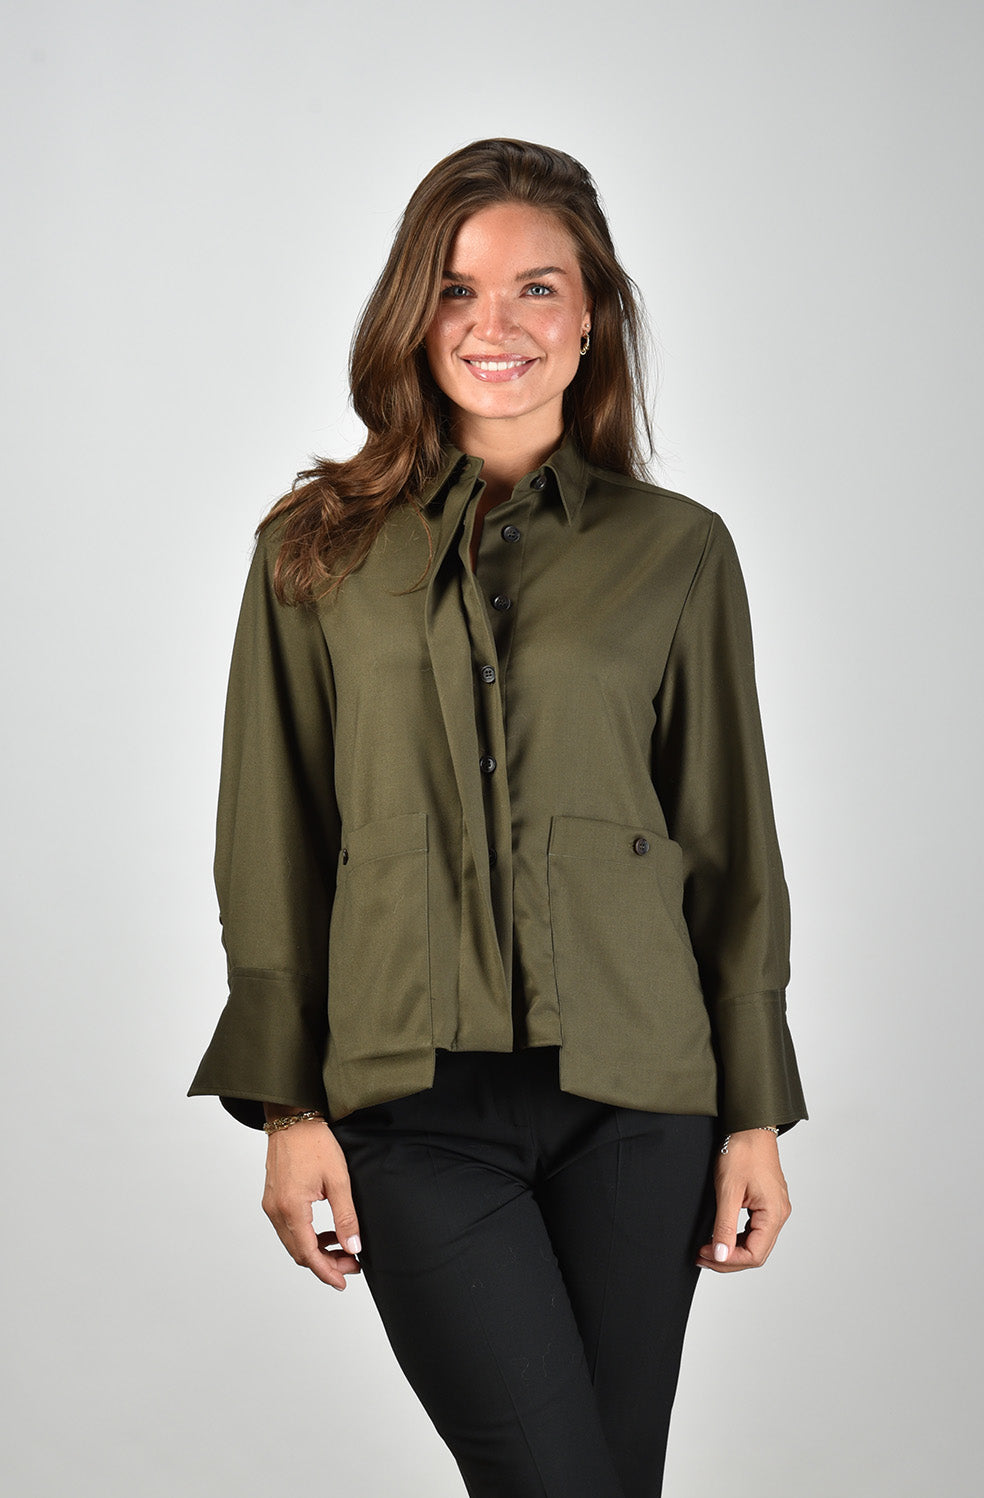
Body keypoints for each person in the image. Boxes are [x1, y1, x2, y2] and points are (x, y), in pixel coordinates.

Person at [189, 137, 807, 1498]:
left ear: (591, 319)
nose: (496, 325)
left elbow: (728, 842)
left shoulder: (678, 551)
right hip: (412, 1107)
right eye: (459, 289)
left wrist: (752, 1114)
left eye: (538, 288)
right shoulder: (315, 551)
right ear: (414, 315)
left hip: (640, 1106)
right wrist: (288, 1106)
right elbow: (271, 833)